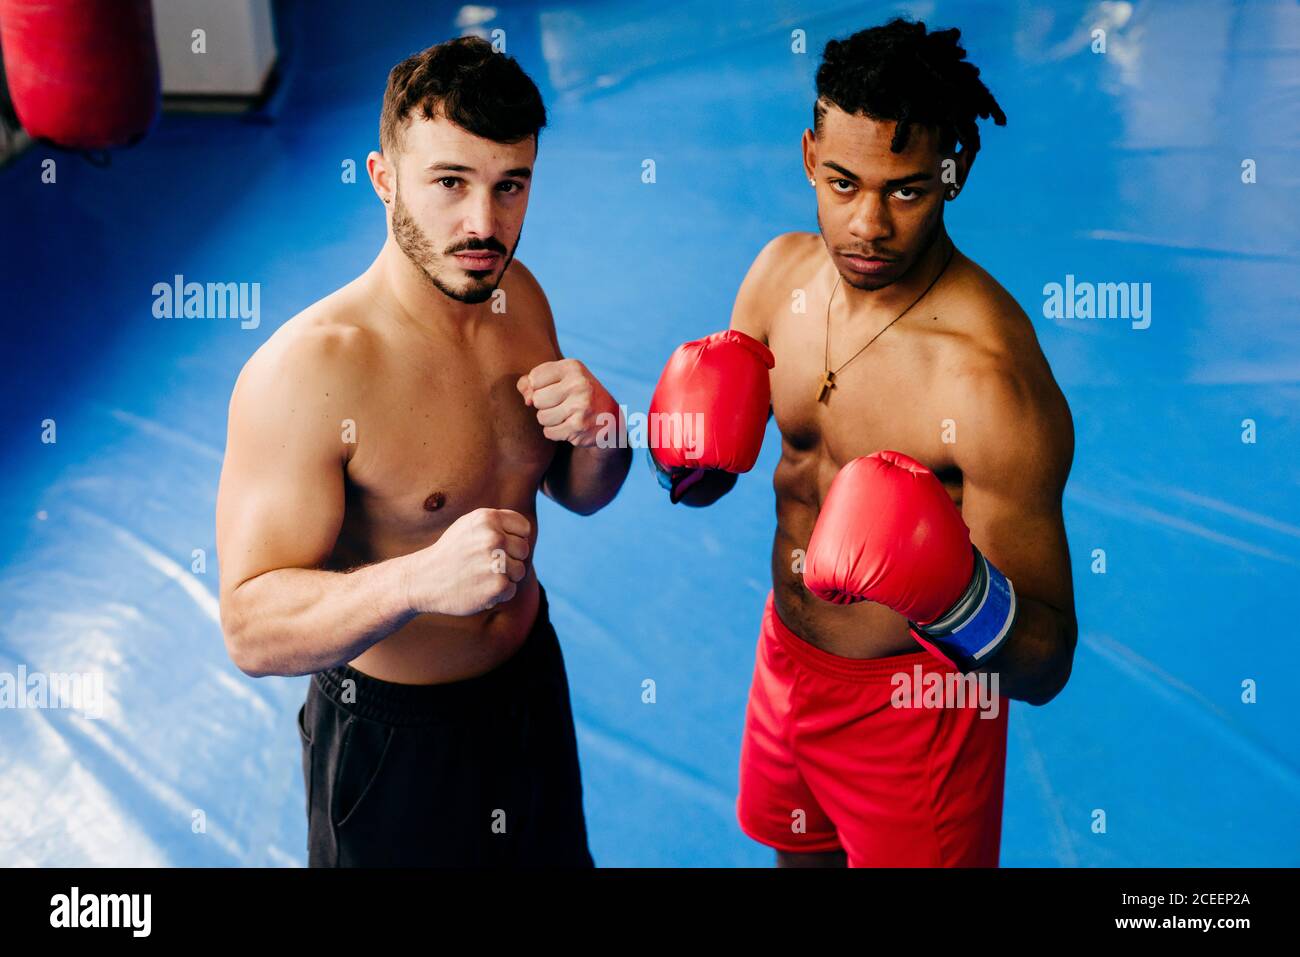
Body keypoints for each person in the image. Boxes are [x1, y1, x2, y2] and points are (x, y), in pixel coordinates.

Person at [649, 18, 1077, 867]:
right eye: (843, 183)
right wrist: (688, 461)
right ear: (810, 155)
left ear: (956, 172)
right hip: (787, 665)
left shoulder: (988, 382)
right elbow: (713, 481)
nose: (868, 225)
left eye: (907, 190)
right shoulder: (778, 277)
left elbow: (1046, 663)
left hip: (913, 717)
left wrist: (953, 593)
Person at [215, 37, 629, 867]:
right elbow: (250, 628)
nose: (485, 223)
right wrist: (416, 580)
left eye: (510, 186)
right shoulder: (311, 371)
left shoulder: (518, 295)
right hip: (392, 744)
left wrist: (603, 436)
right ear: (383, 178)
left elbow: (579, 495)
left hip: (525, 692)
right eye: (450, 183)